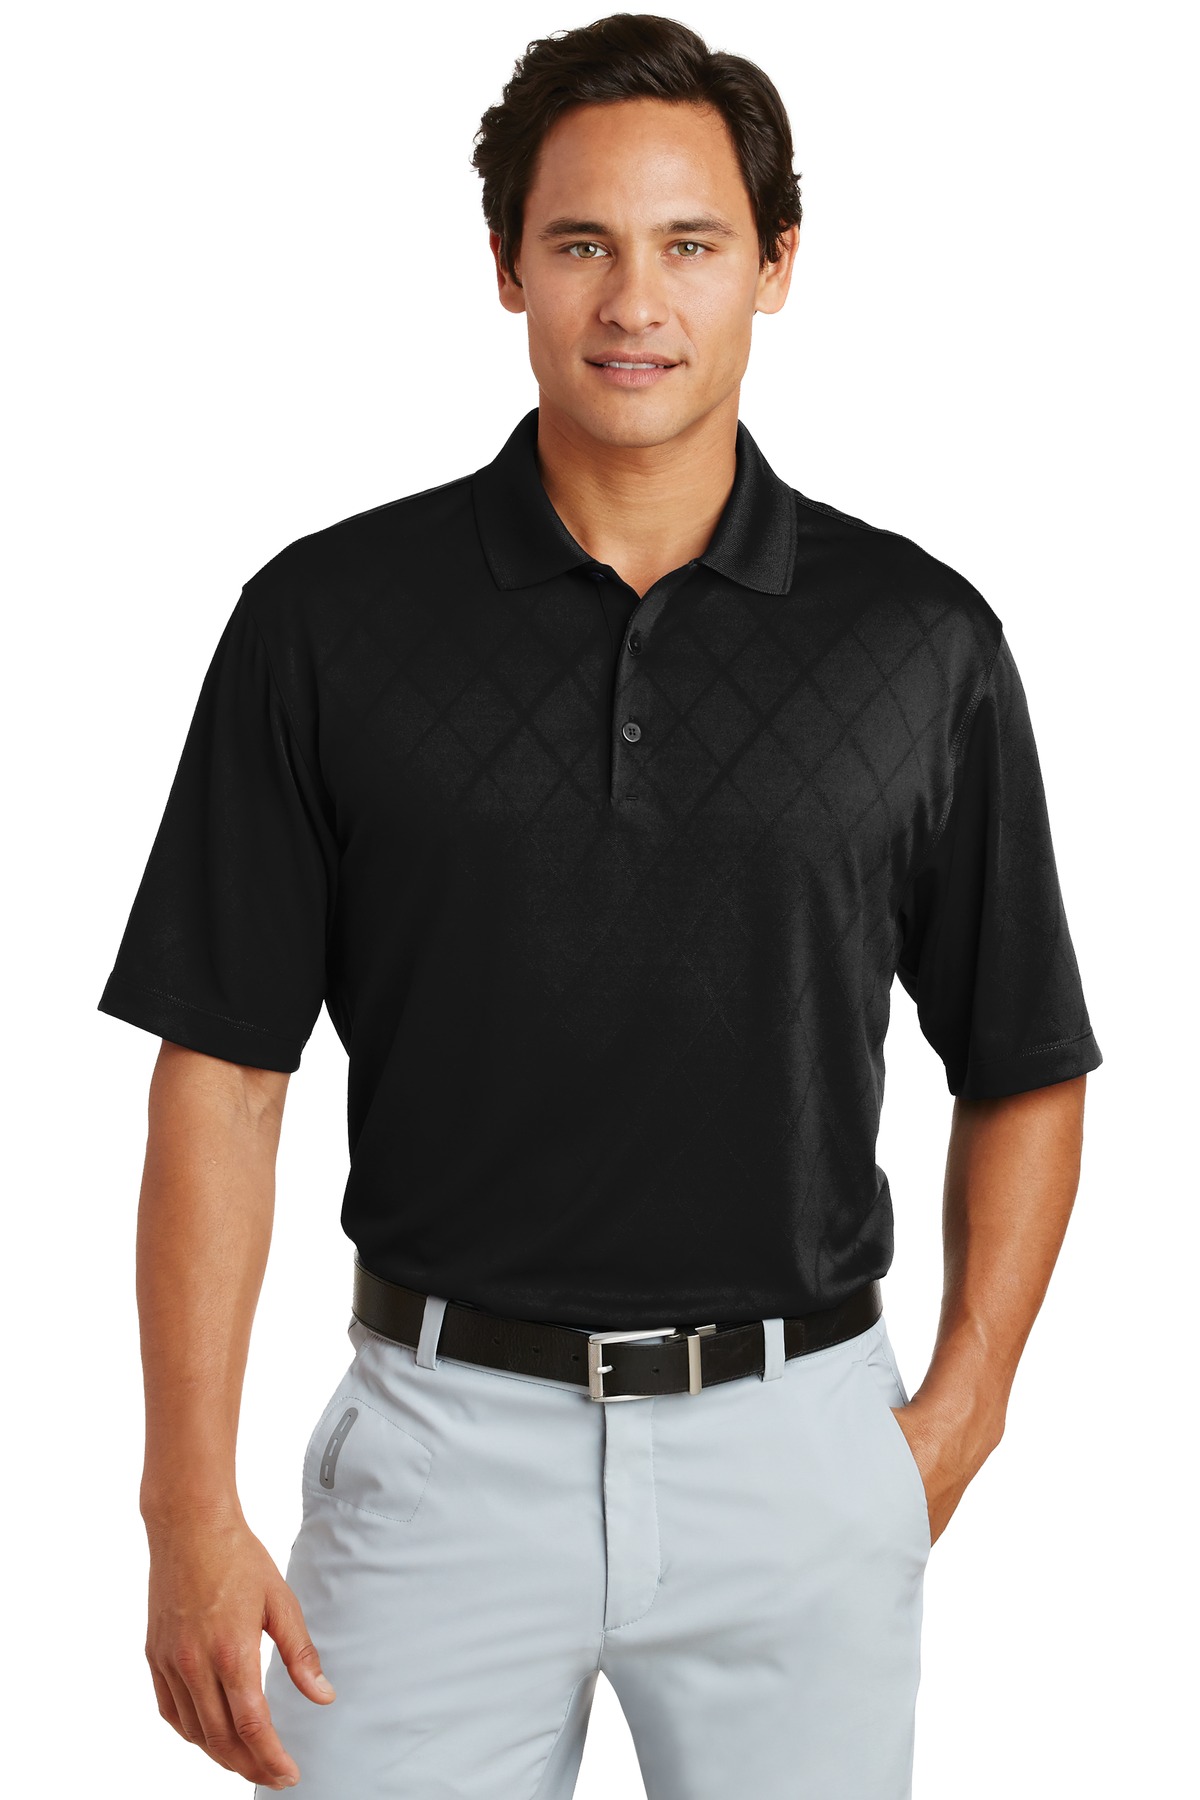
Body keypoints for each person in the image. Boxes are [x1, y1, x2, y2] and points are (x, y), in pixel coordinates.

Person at [97, 13, 1102, 1798]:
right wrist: (187, 1503)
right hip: (437, 1459)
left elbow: (1024, 1060)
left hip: (799, 1453)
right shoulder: (325, 623)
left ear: (776, 265)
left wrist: (956, 1422)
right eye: (582, 244)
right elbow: (225, 1078)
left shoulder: (918, 644)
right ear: (506, 265)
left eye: (691, 244)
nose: (636, 300)